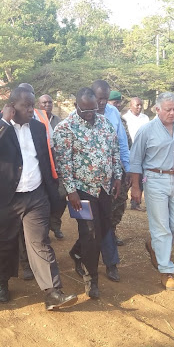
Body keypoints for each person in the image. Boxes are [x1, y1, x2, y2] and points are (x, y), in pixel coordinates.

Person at [0, 87, 78, 310]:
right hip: (5, 197)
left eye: (33, 105)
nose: (32, 110)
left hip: (35, 195)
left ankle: (53, 292)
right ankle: (2, 282)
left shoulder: (37, 127)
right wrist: (4, 122)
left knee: (40, 243)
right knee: (5, 242)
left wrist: (50, 190)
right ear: (12, 107)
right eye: (27, 106)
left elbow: (43, 159)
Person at [52, 88, 122, 298]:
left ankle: (76, 252)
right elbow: (63, 164)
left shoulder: (105, 123)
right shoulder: (65, 129)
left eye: (94, 109)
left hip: (105, 188)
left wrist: (117, 176)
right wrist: (70, 191)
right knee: (90, 233)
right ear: (76, 106)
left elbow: (114, 151)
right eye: (86, 111)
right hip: (81, 190)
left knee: (104, 227)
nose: (92, 114)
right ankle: (91, 279)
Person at [130, 93, 174, 290]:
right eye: (168, 109)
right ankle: (166, 271)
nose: (173, 113)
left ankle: (155, 245)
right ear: (157, 110)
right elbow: (135, 160)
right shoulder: (146, 130)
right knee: (161, 228)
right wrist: (135, 187)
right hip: (154, 179)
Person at [91, 80, 130, 281]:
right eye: (100, 98)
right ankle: (83, 259)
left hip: (109, 179)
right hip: (86, 184)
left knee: (107, 222)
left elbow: (121, 144)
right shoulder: (77, 118)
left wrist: (126, 170)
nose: (103, 103)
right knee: (90, 226)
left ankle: (111, 264)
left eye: (106, 98)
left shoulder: (113, 115)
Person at [37, 94, 67, 240]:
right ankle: (45, 230)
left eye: (50, 102)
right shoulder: (35, 119)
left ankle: (55, 225)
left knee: (61, 197)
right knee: (45, 199)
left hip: (59, 166)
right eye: (44, 102)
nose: (47, 105)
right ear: (39, 104)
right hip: (43, 168)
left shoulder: (59, 121)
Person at [123, 97, 150, 211]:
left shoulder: (146, 118)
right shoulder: (125, 118)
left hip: (143, 152)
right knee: (128, 178)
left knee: (141, 178)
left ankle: (136, 202)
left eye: (140, 105)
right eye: (136, 105)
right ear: (131, 106)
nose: (139, 107)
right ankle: (122, 201)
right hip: (129, 151)